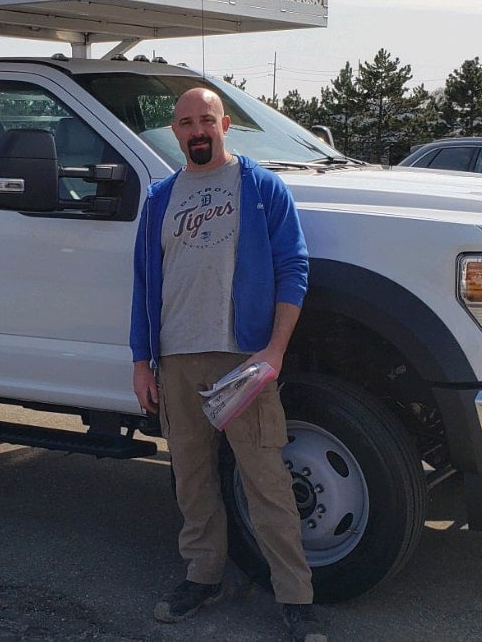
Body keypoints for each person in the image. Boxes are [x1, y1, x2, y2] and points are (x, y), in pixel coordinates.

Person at [130, 87, 326, 641]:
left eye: (207, 120)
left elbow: (295, 268)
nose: (197, 130)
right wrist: (142, 360)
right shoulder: (160, 198)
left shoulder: (261, 188)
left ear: (225, 125)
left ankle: (296, 598)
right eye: (187, 122)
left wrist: (274, 352)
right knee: (192, 481)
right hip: (176, 360)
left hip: (244, 363)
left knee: (267, 481)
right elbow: (145, 284)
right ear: (175, 132)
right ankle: (204, 577)